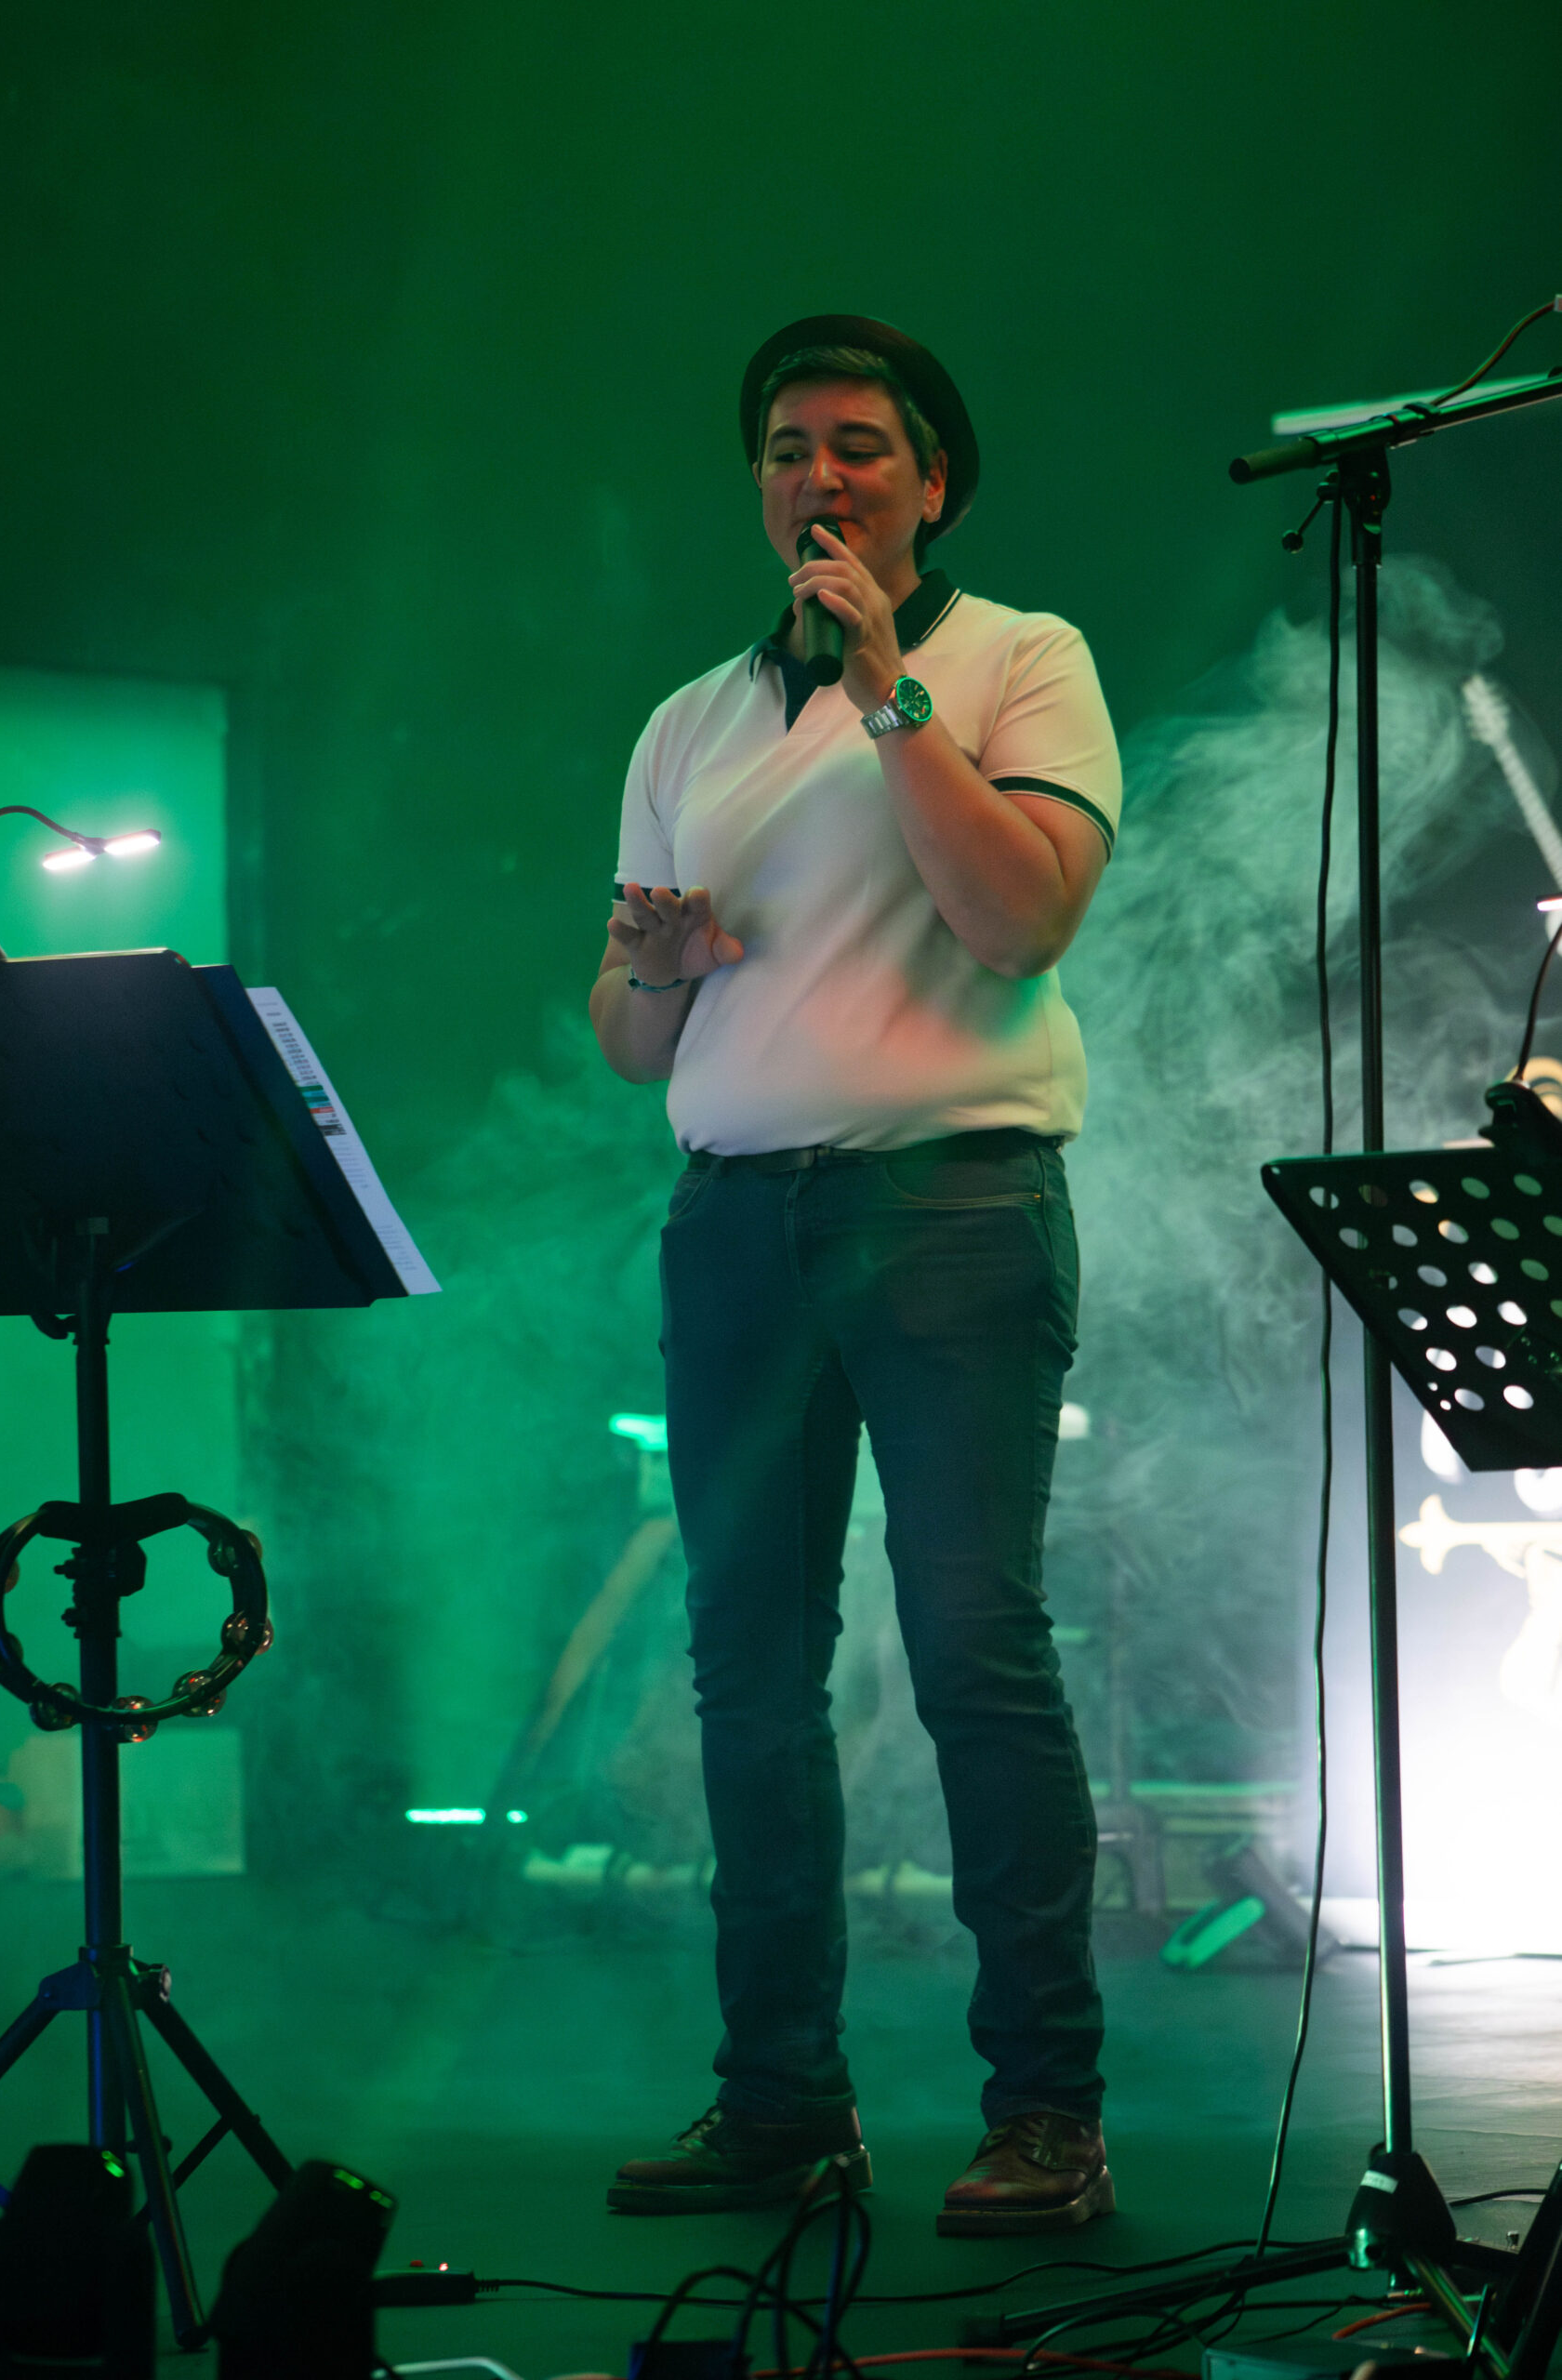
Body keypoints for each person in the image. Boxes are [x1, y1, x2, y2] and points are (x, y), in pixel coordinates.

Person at [589, 314, 1122, 2235]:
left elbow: (1020, 915)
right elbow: (627, 1037)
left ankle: (1045, 2110)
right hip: (737, 1220)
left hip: (951, 1205)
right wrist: (655, 962)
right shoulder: (690, 723)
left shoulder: (1018, 659)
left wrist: (893, 695)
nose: (818, 476)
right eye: (786, 447)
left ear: (932, 480)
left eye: (860, 447)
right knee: (747, 1671)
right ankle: (781, 2100)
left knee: (975, 1649)